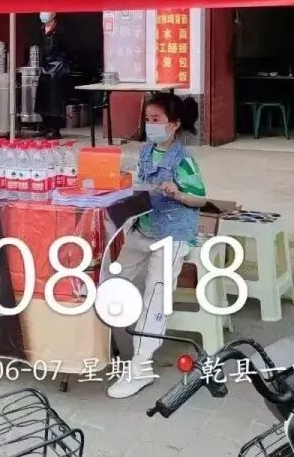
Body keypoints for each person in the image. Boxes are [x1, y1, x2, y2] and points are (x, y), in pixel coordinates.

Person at [107, 92, 207, 399]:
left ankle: (141, 366)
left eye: (156, 120)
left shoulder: (183, 159)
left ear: (174, 125)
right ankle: (119, 347)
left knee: (155, 296)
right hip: (143, 228)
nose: (150, 125)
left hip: (173, 234)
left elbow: (200, 198)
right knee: (113, 282)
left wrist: (178, 192)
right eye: (148, 119)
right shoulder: (146, 151)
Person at [35, 12, 70, 139]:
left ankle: (55, 130)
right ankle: (45, 127)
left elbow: (66, 49)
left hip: (57, 68)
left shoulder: (60, 30)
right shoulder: (42, 29)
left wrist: (62, 65)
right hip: (45, 67)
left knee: (55, 101)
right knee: (43, 98)